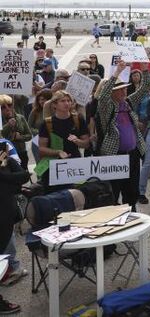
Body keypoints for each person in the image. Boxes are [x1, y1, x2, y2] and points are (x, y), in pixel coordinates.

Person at [96, 59, 150, 209]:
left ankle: (132, 210)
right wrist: (117, 73)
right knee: (114, 189)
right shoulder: (107, 108)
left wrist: (145, 70)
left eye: (125, 88)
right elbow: (102, 97)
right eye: (120, 89)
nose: (124, 91)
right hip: (115, 155)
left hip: (133, 154)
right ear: (112, 92)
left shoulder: (128, 103)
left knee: (132, 188)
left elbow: (145, 87)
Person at [36, 91, 90, 191]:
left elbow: (86, 144)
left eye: (69, 101)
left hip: (74, 166)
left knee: (76, 197)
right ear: (54, 105)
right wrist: (58, 152)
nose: (67, 103)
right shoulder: (47, 123)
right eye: (63, 101)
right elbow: (41, 149)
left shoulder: (78, 119)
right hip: (53, 167)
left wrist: (78, 141)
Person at [0, 141, 29, 315]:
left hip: (7, 217)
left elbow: (24, 176)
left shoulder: (6, 158)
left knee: (2, 256)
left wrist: (3, 177)